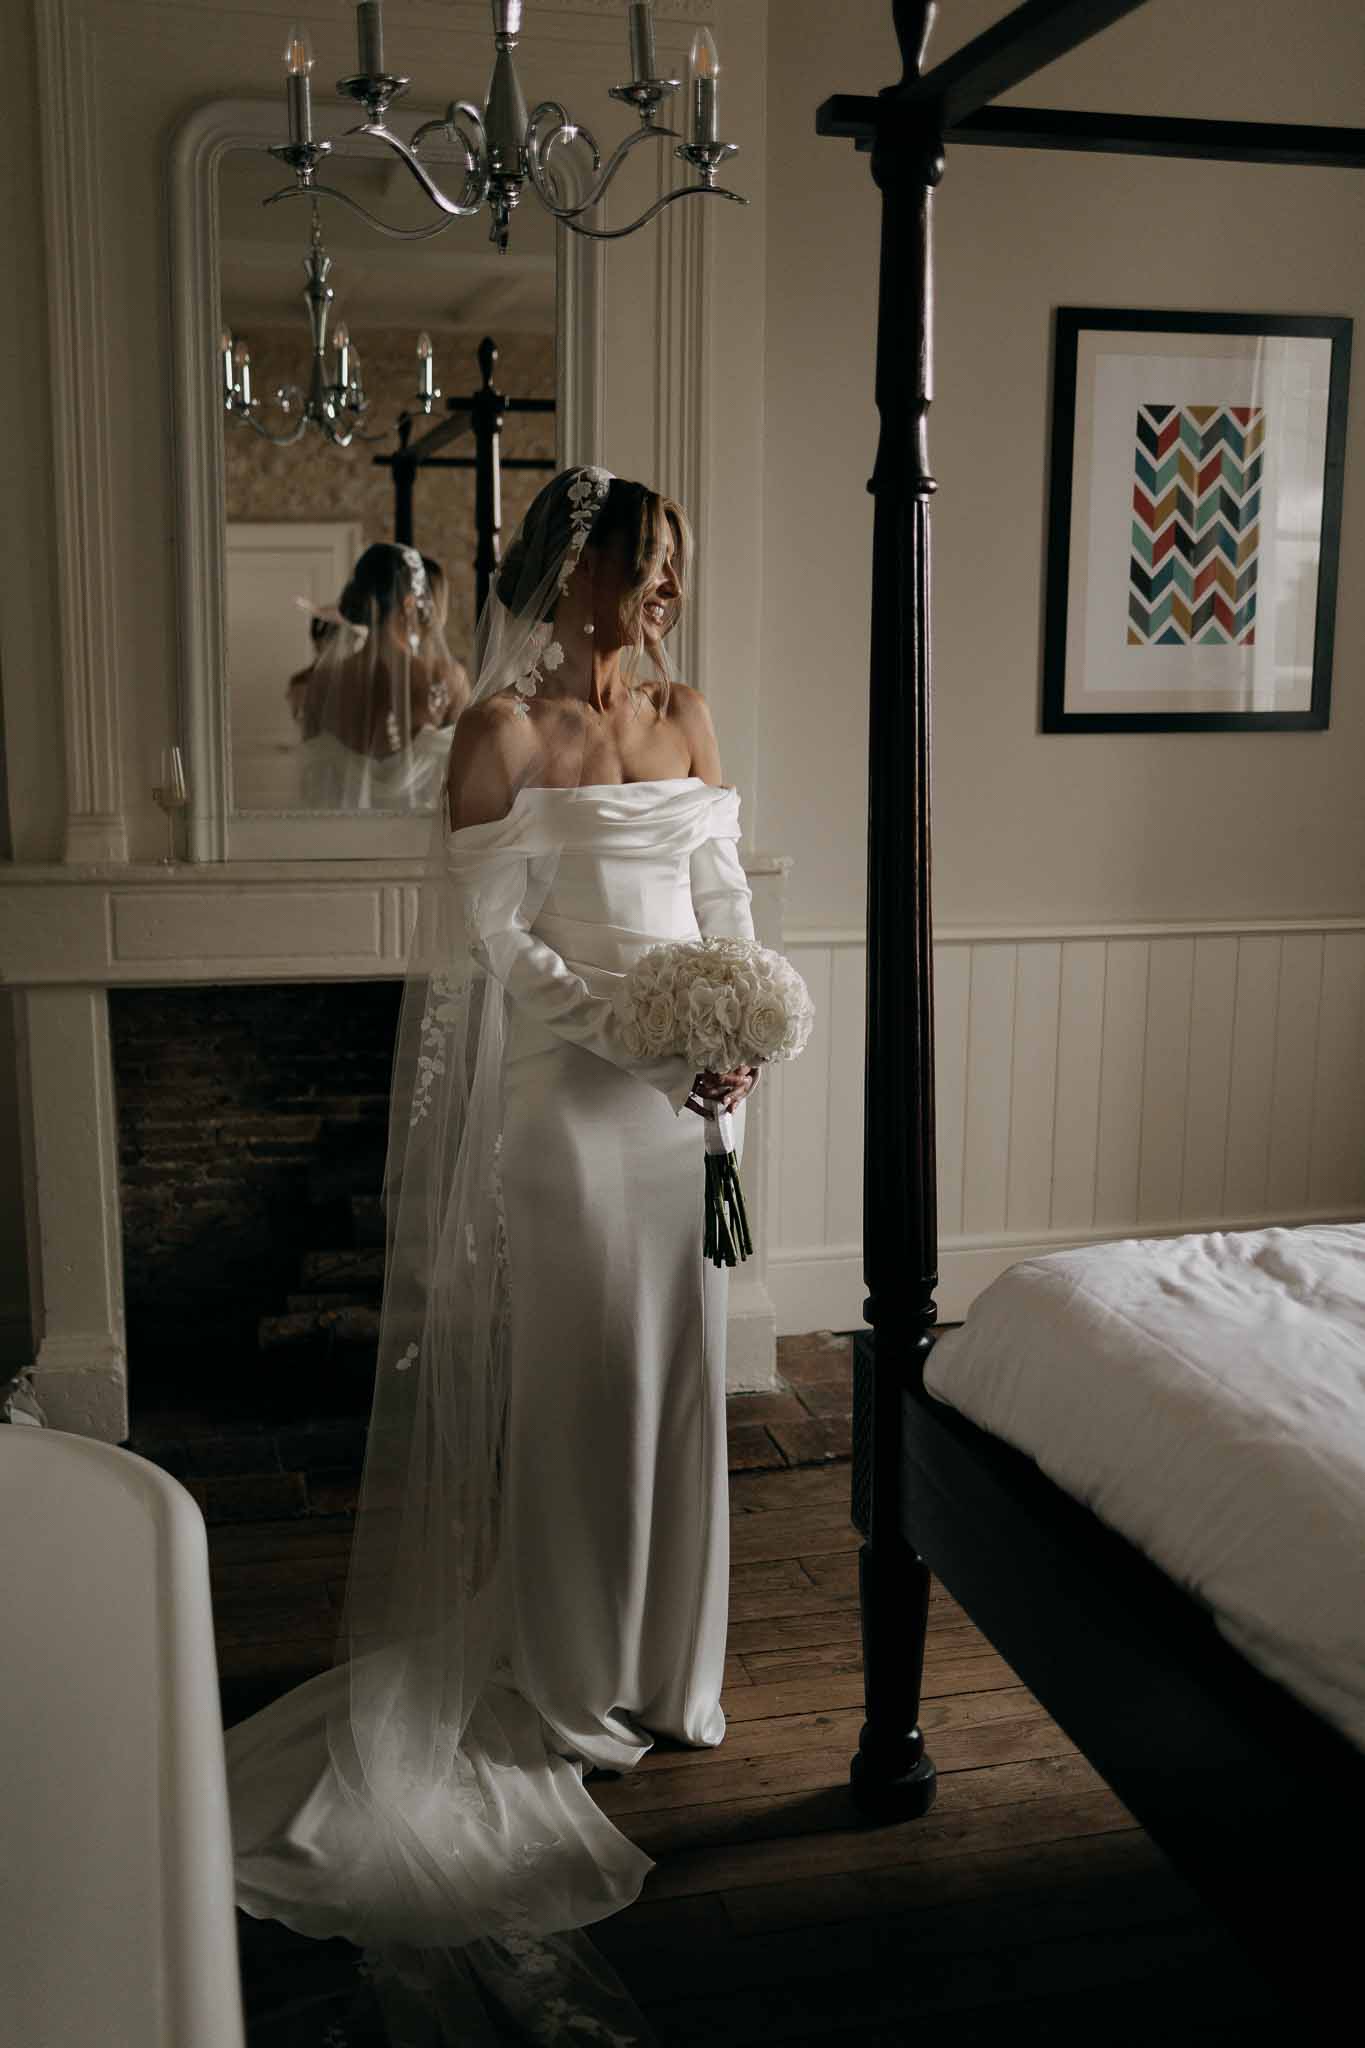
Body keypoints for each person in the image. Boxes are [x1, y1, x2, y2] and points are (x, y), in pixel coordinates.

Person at [224, 470, 757, 2044]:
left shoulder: (689, 714)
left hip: (691, 1111)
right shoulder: (500, 737)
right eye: (642, 567)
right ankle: (579, 1686)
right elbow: (502, 947)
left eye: (673, 568)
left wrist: (735, 1038)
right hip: (576, 1107)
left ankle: (677, 1678)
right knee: (586, 1386)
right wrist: (632, 1031)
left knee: (678, 1386)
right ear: (572, 571)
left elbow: (719, 893)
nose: (663, 594)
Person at [295, 542, 470, 812]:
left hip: (340, 845)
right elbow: (465, 781)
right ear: (410, 602)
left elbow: (310, 783)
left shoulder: (324, 682)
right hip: (418, 847)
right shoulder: (446, 679)